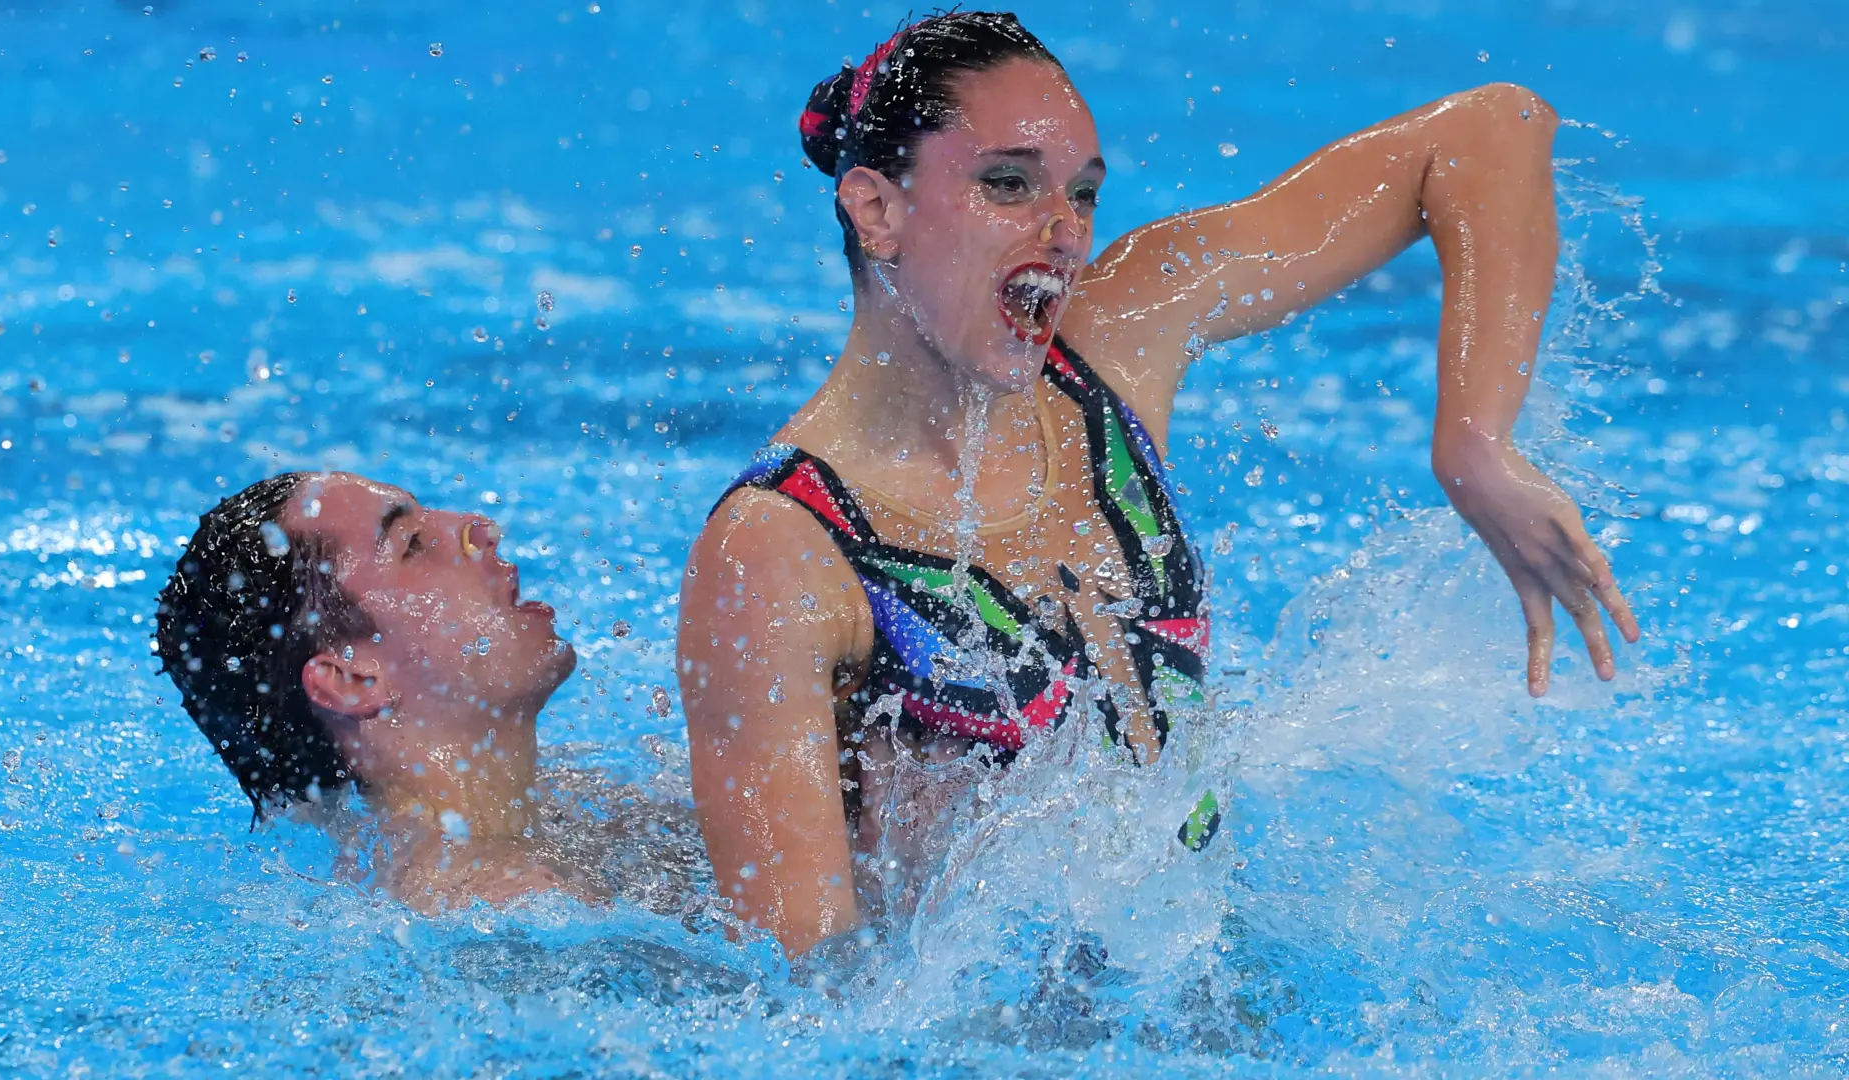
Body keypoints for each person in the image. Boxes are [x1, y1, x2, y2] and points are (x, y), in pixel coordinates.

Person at [678, 11, 1642, 956]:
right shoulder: (778, 550)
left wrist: (1475, 445)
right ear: (876, 209)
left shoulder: (1113, 345)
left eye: (1085, 194)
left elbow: (1490, 128)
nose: (1064, 232)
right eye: (1008, 184)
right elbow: (804, 990)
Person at [156, 471, 596, 913]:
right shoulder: (504, 901)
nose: (480, 529)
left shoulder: (577, 805)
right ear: (350, 682)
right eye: (412, 544)